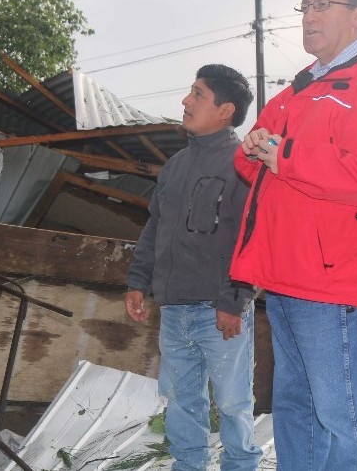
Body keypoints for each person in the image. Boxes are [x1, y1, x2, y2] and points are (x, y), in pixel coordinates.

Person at [231, 0, 357, 470]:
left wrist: (283, 155)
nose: (309, 17)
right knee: (294, 407)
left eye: (322, 5)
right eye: (305, 6)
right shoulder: (302, 87)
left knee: (342, 417)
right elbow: (254, 164)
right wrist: (253, 150)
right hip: (286, 275)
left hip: (331, 277)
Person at [126, 64, 261, 471]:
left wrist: (235, 299)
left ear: (225, 110)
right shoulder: (175, 165)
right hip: (174, 309)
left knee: (234, 402)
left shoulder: (244, 165)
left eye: (198, 94)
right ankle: (189, 465)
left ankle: (240, 466)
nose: (186, 101)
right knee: (182, 400)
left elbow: (251, 236)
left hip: (218, 310)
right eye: (190, 92)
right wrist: (138, 280)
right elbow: (155, 227)